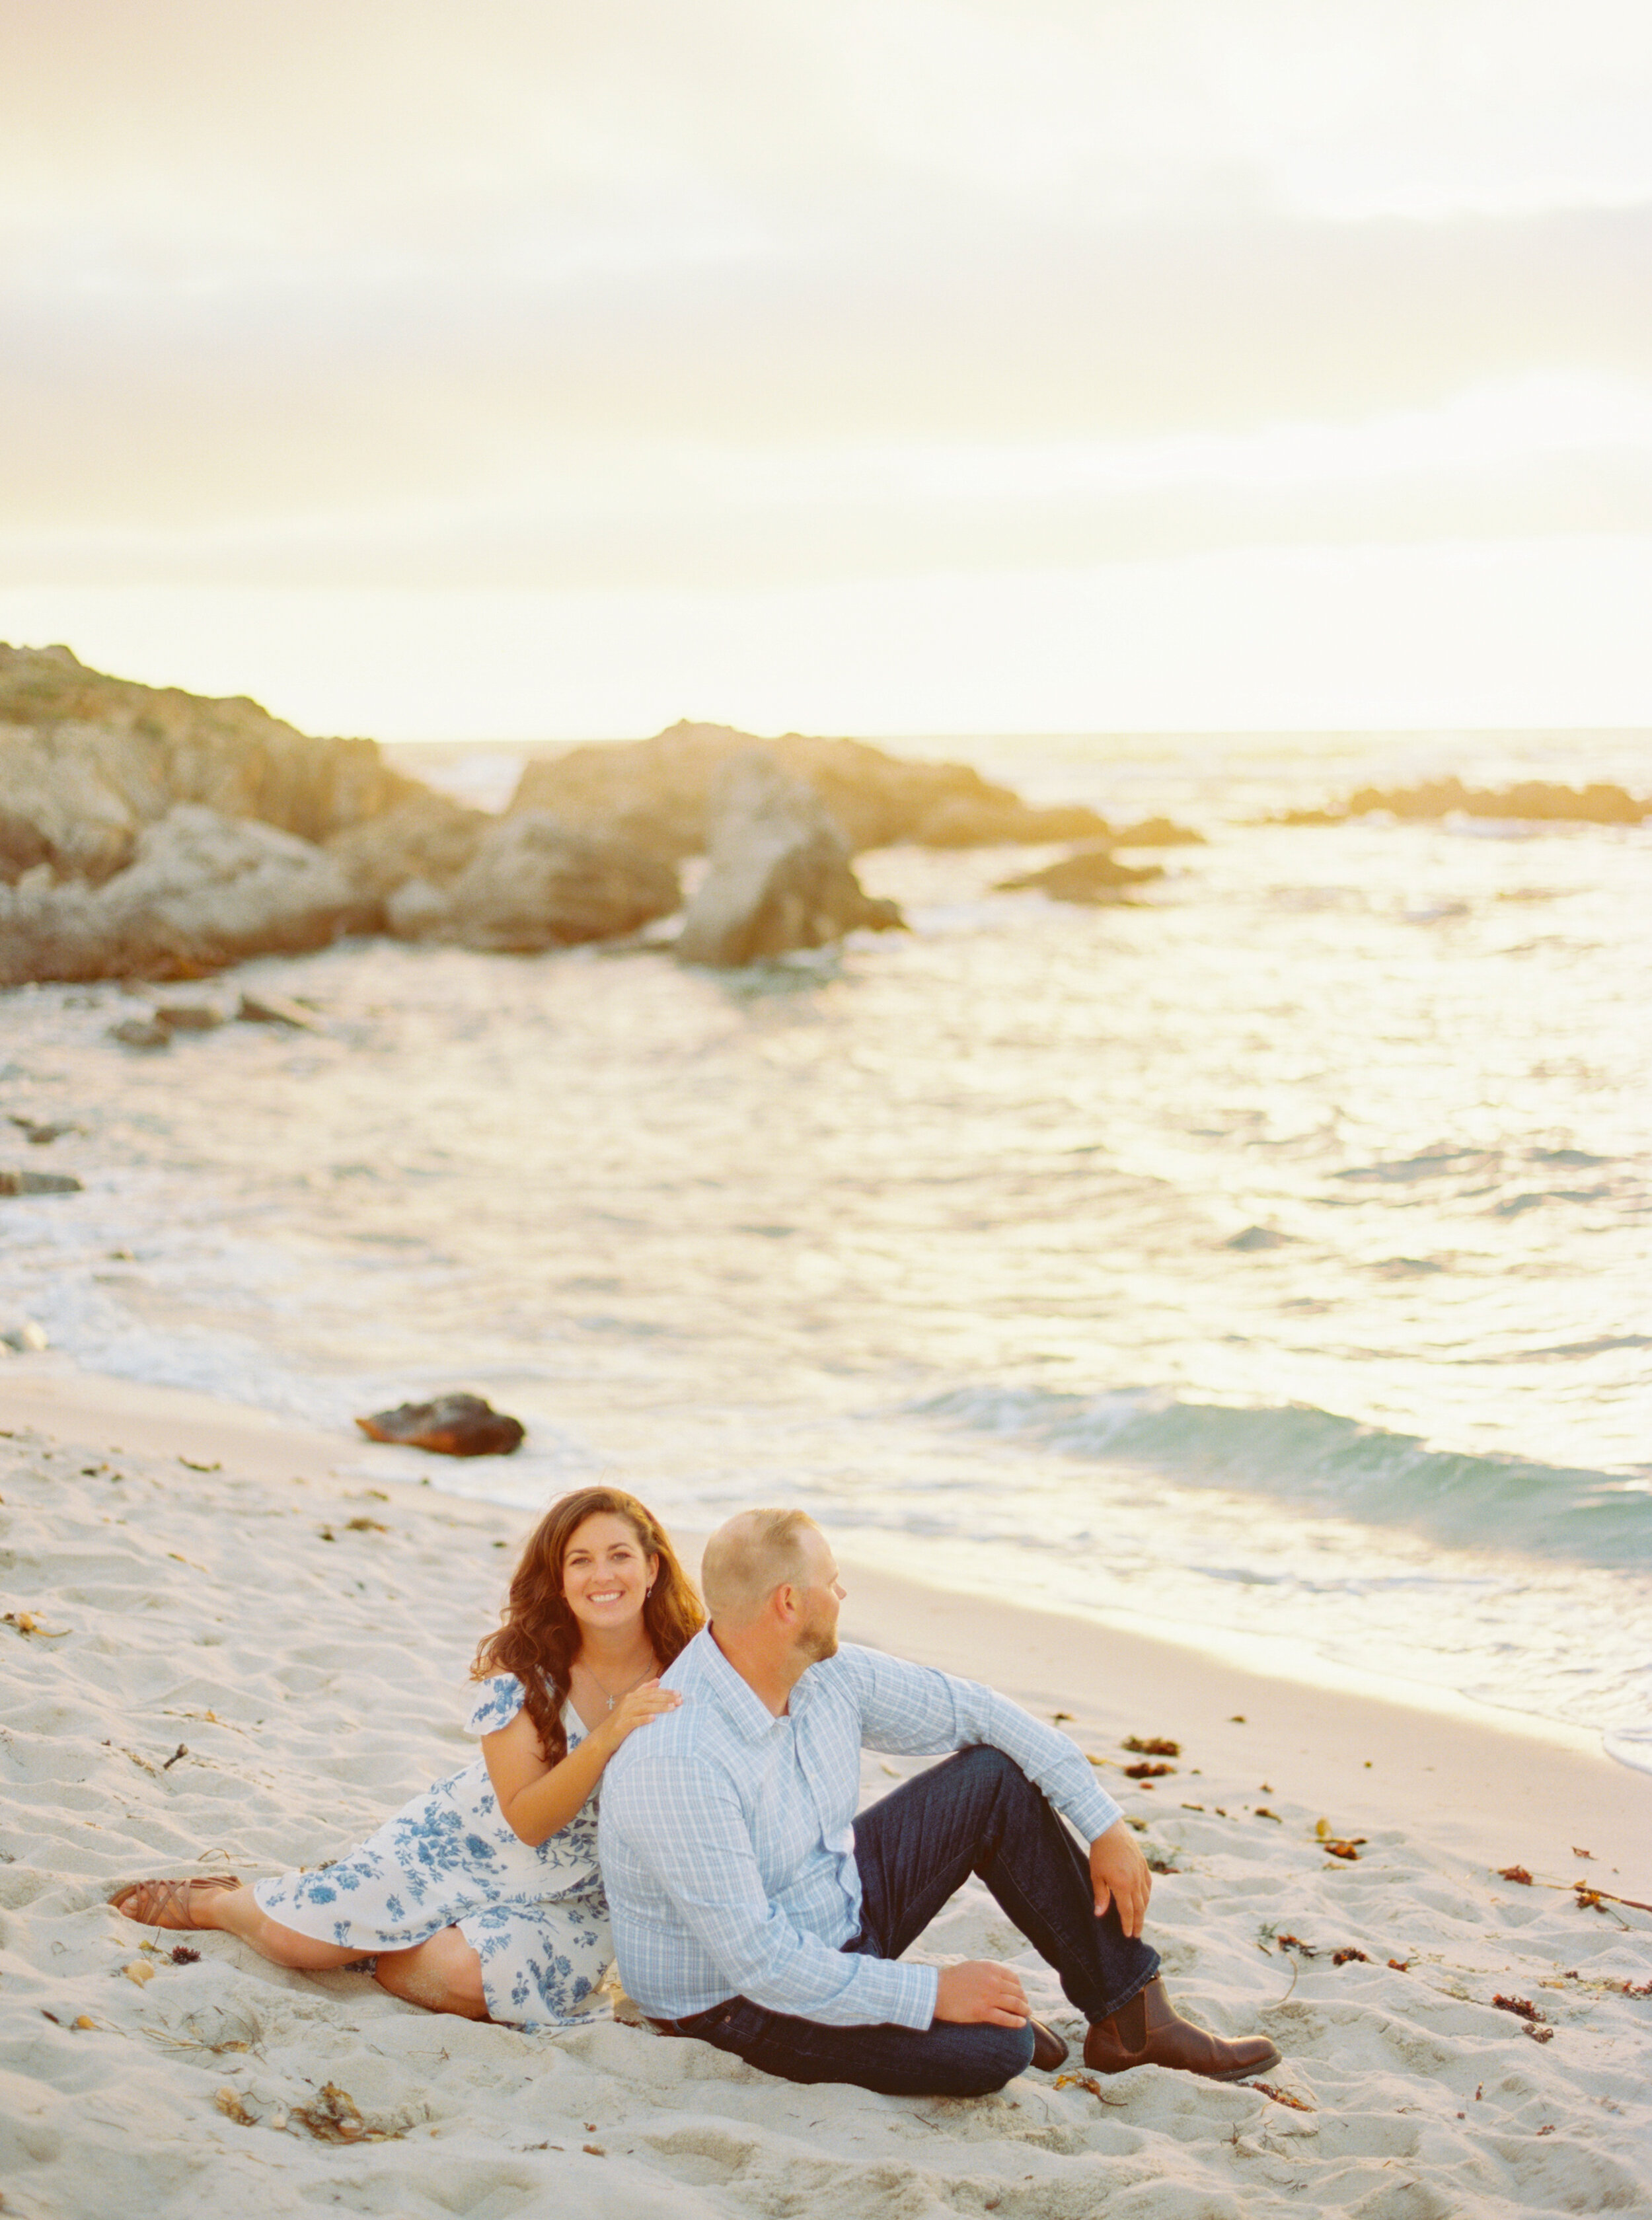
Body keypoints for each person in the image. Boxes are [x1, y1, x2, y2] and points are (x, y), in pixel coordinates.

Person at [598, 1508, 1282, 2096]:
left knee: (990, 1779)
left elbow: (975, 1710)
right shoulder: (679, 1758)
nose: (843, 1590)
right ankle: (973, 2022)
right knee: (997, 2052)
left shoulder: (821, 1673)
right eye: (830, 1581)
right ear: (788, 1604)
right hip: (732, 1999)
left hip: (831, 1911)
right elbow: (761, 1964)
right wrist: (932, 1993)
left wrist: (1103, 1822)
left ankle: (1132, 2019)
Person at [111, 1486, 702, 2027]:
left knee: (462, 1978)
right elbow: (526, 1821)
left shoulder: (693, 1663)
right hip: (468, 1845)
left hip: (578, 1894)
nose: (604, 1575)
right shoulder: (522, 1663)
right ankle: (223, 1903)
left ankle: (377, 1944)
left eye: (620, 1555)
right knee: (299, 1947)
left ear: (652, 1567)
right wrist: (607, 1736)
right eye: (581, 1560)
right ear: (558, 1577)